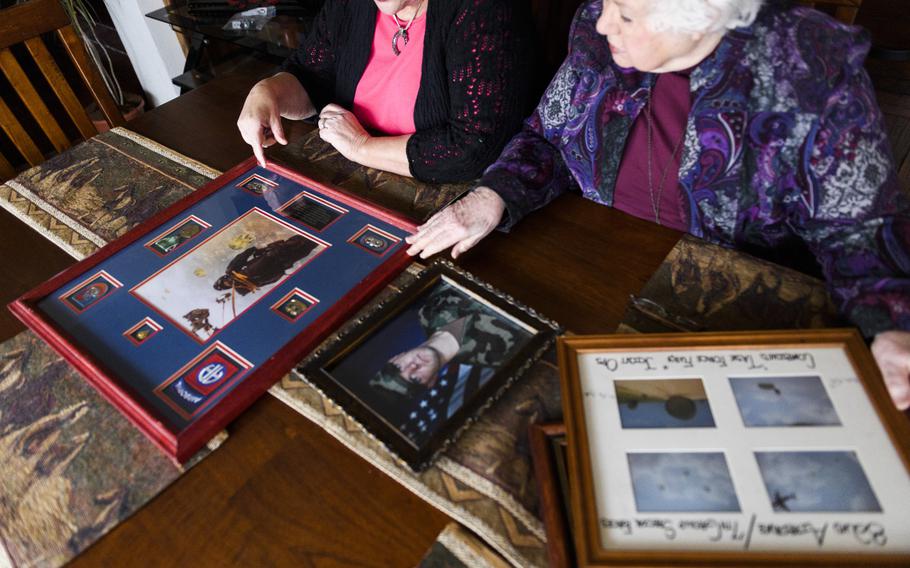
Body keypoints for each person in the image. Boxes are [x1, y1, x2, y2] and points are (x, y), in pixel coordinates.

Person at [405, 0, 910, 410]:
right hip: (584, 264)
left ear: (704, 17)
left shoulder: (809, 72)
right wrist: (494, 194)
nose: (601, 20)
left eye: (624, 13)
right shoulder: (598, 30)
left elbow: (860, 231)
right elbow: (549, 138)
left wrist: (889, 327)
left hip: (711, 314)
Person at [236, 0, 534, 183]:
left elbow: (473, 147)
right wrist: (267, 91)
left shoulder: (484, 9)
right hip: (359, 185)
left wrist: (360, 146)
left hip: (455, 203)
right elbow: (311, 76)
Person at [369, 282, 528, 441]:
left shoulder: (426, 310)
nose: (413, 366)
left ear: (395, 357)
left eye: (398, 368)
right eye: (414, 379)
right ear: (431, 382)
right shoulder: (500, 355)